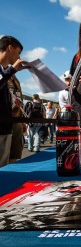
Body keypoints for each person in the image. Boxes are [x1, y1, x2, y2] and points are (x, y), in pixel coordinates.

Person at [0, 36, 29, 166]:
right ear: (10, 48)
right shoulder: (7, 72)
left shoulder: (7, 73)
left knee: (6, 167)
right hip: (1, 127)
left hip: (7, 127)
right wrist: (12, 70)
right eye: (18, 53)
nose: (19, 57)